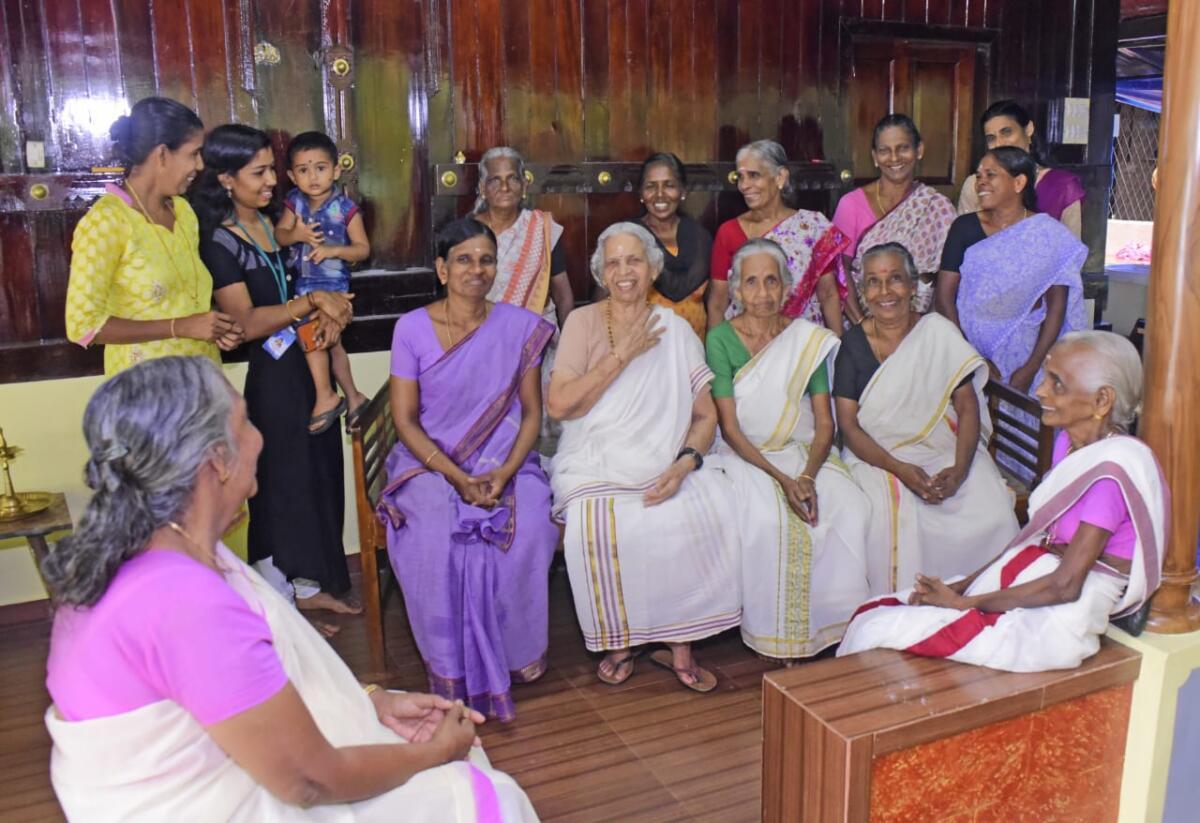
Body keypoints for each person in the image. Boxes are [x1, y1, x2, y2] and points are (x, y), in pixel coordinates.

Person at [40, 356, 537, 821]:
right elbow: (307, 782)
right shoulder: (182, 599)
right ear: (217, 461)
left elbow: (229, 691)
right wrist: (433, 754)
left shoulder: (156, 550)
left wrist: (369, 702)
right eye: (247, 422)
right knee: (476, 795)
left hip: (227, 777)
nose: (259, 438)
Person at [839, 332, 1166, 671]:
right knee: (873, 612)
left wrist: (965, 603)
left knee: (874, 628)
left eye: (1057, 384)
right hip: (1036, 584)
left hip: (1056, 622)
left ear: (1102, 401)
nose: (1040, 390)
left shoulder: (1109, 476)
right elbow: (1039, 537)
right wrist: (960, 586)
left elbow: (1066, 586)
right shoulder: (1069, 443)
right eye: (1045, 377)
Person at [548, 222, 740, 693]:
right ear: (601, 272)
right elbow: (559, 405)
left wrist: (684, 463)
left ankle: (680, 644)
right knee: (599, 521)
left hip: (665, 460)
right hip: (596, 459)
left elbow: (705, 413)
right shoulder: (583, 322)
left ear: (652, 267)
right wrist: (621, 355)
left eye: (633, 260)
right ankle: (620, 641)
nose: (624, 271)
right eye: (613, 262)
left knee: (699, 511)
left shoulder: (675, 330)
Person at [379, 218, 558, 722]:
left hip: (504, 460)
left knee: (530, 529)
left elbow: (531, 415)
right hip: (428, 463)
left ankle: (514, 658)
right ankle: (451, 667)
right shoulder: (411, 328)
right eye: (463, 259)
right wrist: (457, 478)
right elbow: (405, 421)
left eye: (485, 259)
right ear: (442, 268)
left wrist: (503, 473)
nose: (476, 270)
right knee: (434, 534)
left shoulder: (517, 327)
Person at [192, 124, 359, 634]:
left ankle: (309, 587)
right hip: (274, 378)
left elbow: (321, 280)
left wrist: (332, 313)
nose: (271, 181)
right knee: (281, 484)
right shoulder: (219, 242)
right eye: (259, 172)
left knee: (319, 477)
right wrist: (307, 303)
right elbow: (244, 323)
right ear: (226, 179)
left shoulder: (273, 223)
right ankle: (277, 597)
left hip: (310, 365)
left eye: (271, 169)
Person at [707, 239, 870, 660]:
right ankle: (778, 639)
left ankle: (836, 628)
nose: (762, 294)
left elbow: (824, 424)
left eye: (771, 282)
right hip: (744, 454)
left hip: (802, 453)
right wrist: (783, 482)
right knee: (768, 520)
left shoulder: (805, 340)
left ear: (786, 289)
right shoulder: (721, 339)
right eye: (751, 283)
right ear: (737, 291)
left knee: (851, 505)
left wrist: (807, 477)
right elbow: (729, 427)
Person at [834, 243, 1018, 595]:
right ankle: (902, 606)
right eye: (873, 282)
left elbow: (967, 407)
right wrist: (899, 468)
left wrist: (960, 470)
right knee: (880, 513)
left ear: (915, 285)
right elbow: (849, 426)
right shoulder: (853, 345)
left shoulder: (938, 333)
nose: (885, 292)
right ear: (863, 292)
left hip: (944, 448)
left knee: (989, 505)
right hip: (878, 457)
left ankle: (982, 601)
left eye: (895, 279)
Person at [66, 96, 244, 374]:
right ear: (162, 154)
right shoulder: (107, 221)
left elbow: (184, 297)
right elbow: (83, 326)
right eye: (193, 154)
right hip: (146, 395)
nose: (199, 166)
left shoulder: (183, 212)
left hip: (202, 383)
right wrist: (179, 327)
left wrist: (215, 327)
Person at [936, 146, 1087, 393]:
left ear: (1019, 182)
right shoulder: (964, 227)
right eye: (978, 175)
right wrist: (971, 359)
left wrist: (1031, 367)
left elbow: (1056, 307)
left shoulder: (1047, 234)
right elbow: (944, 298)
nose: (980, 182)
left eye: (991, 174)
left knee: (1020, 428)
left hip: (1027, 356)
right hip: (964, 353)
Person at [275, 131, 372, 434]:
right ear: (292, 176)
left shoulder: (345, 209)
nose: (313, 177)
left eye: (320, 168)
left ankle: (326, 396)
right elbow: (280, 235)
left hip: (333, 287)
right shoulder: (294, 203)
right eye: (303, 170)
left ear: (336, 170)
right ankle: (353, 396)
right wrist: (298, 235)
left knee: (314, 336)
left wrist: (334, 250)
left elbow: (362, 249)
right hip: (304, 285)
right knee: (333, 344)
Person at [707, 139, 848, 333]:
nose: (744, 185)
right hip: (747, 349)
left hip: (804, 347)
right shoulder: (728, 232)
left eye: (754, 175)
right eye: (740, 177)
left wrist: (838, 350)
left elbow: (829, 294)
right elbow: (717, 302)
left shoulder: (812, 227)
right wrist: (716, 353)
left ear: (780, 177)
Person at [832, 114, 956, 315]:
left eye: (903, 148)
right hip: (864, 321)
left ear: (919, 150)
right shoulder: (851, 205)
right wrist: (862, 329)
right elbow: (838, 270)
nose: (895, 158)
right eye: (884, 151)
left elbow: (946, 280)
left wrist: (927, 329)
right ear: (874, 157)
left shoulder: (938, 207)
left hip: (920, 324)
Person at [472, 146, 574, 327]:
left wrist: (570, 344)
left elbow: (563, 295)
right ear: (482, 188)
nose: (504, 187)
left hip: (535, 340)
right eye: (495, 180)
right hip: (481, 335)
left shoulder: (542, 228)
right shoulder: (466, 232)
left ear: (524, 185)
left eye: (512, 179)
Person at [957, 100, 1086, 238]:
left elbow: (1072, 255)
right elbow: (962, 244)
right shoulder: (975, 185)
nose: (999, 143)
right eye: (991, 138)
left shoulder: (1063, 187)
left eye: (1006, 133)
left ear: (1028, 129)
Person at [634, 152, 713, 338]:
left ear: (683, 191)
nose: (660, 195)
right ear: (641, 194)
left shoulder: (701, 237)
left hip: (694, 351)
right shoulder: (629, 237)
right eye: (651, 186)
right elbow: (605, 301)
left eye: (669, 185)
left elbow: (714, 303)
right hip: (643, 350)